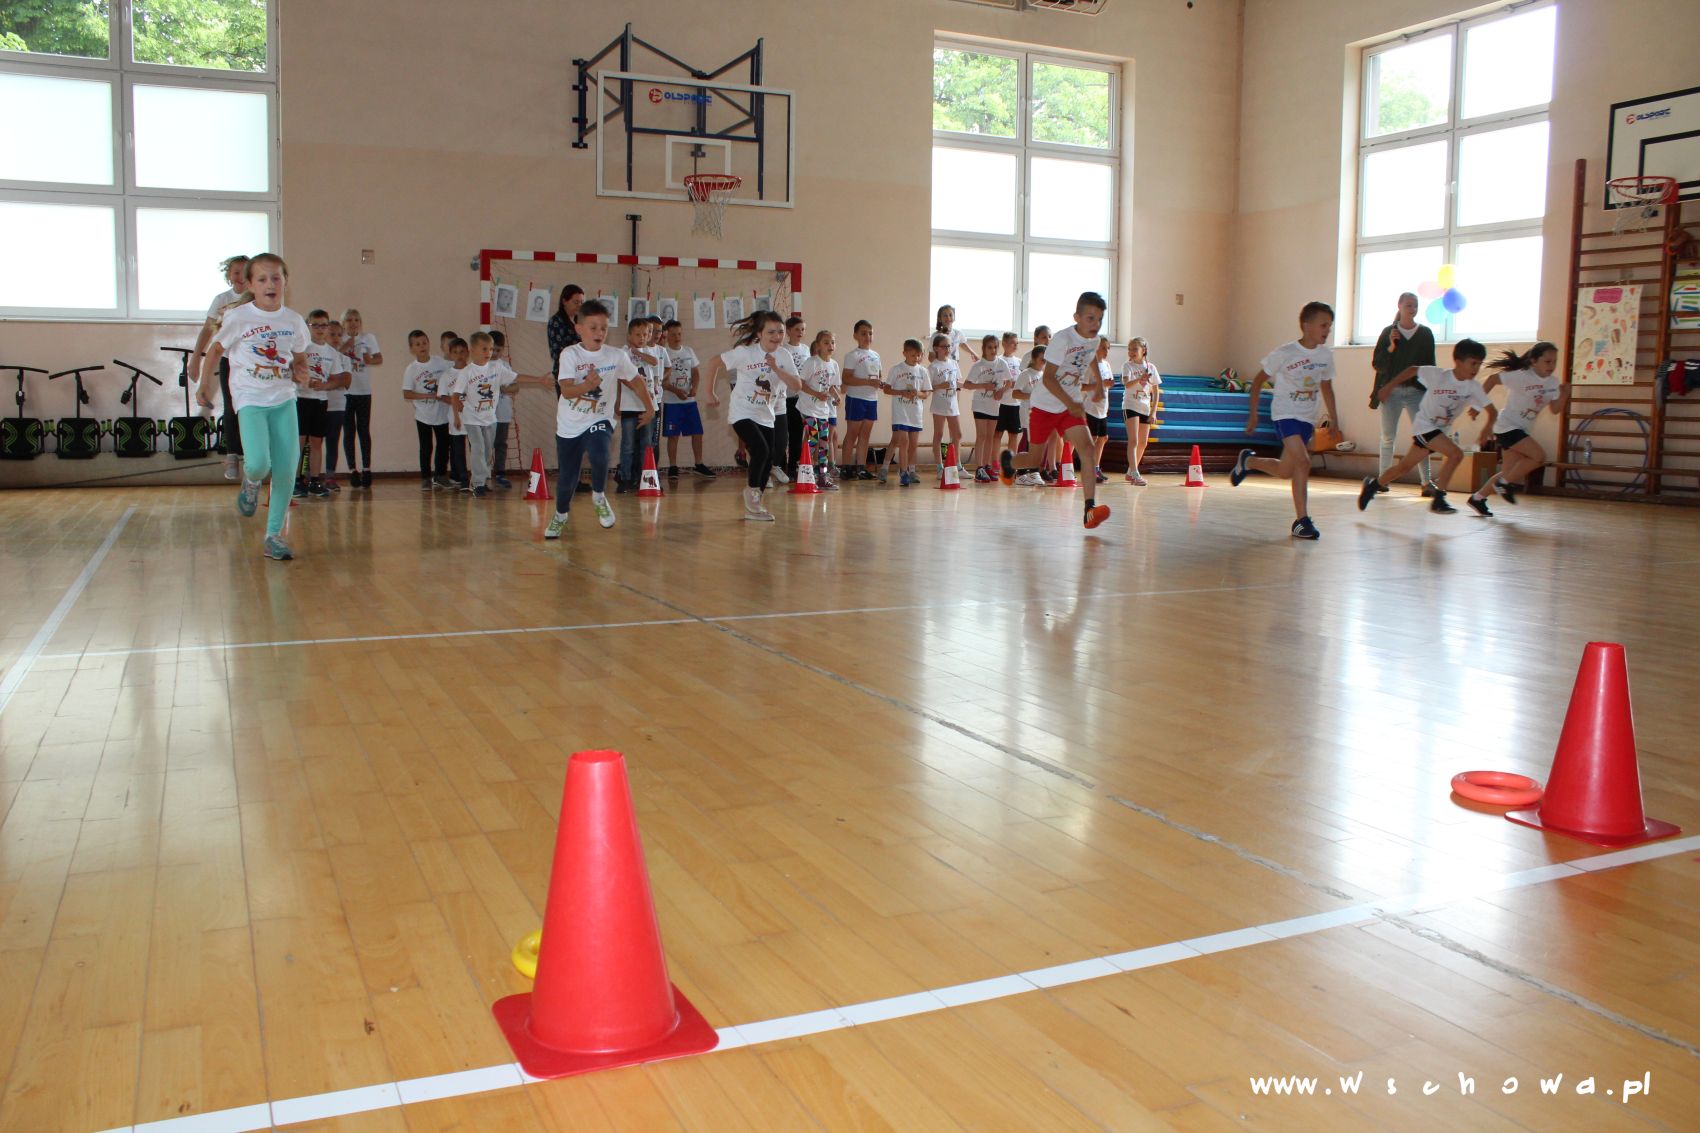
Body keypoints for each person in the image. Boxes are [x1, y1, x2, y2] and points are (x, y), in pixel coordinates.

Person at [196, 253, 311, 561]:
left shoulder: (294, 321)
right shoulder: (239, 317)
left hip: (284, 399)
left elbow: (300, 357)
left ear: (285, 281)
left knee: (286, 469)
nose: (270, 284)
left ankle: (273, 536)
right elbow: (215, 351)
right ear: (250, 285)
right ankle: (251, 480)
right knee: (259, 463)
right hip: (250, 399)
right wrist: (203, 384)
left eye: (276, 278)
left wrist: (301, 371)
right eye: (262, 279)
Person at [998, 293, 1113, 530]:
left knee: (1088, 450)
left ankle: (1089, 510)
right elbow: (1049, 379)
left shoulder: (1094, 339)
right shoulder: (1063, 339)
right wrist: (1070, 403)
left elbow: (1091, 356)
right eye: (1090, 318)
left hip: (1069, 407)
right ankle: (1009, 462)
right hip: (1045, 406)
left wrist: (1100, 385)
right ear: (1077, 317)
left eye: (1100, 319)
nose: (1095, 324)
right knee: (1034, 459)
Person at [1229, 301, 1339, 540]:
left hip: (1307, 418)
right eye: (1323, 325)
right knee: (1304, 462)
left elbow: (1327, 387)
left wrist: (1334, 419)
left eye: (1330, 326)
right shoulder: (1285, 353)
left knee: (1285, 471)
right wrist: (1253, 414)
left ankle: (1248, 461)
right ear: (1306, 325)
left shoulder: (1325, 355)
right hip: (1285, 414)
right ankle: (1302, 521)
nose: (1327, 330)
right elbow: (1258, 382)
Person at [1357, 338, 1495, 516]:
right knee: (1456, 454)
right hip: (1425, 426)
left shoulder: (1473, 387)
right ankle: (1439, 498)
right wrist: (1389, 387)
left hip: (1439, 431)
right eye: (1473, 363)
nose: (1476, 369)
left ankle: (1372, 486)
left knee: (1404, 468)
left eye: (1479, 364)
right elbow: (1412, 370)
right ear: (1458, 362)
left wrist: (1487, 427)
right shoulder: (1439, 375)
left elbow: (1493, 411)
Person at [547, 300, 649, 537]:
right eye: (593, 327)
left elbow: (636, 381)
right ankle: (560, 515)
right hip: (570, 425)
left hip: (599, 419)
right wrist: (586, 385)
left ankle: (599, 496)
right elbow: (566, 390)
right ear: (579, 329)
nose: (599, 332)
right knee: (567, 479)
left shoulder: (616, 356)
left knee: (600, 454)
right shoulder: (569, 354)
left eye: (603, 328)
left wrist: (650, 407)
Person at [703, 310, 802, 521]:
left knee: (768, 459)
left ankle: (755, 504)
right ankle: (751, 493)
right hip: (742, 412)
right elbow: (712, 363)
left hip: (766, 414)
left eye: (780, 332)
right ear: (759, 334)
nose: (777, 336)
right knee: (761, 450)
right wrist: (709, 392)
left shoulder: (784, 355)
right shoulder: (745, 353)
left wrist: (776, 369)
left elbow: (797, 385)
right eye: (771, 332)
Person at [1470, 342, 1566, 507]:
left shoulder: (1552, 382)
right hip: (1507, 426)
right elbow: (1492, 380)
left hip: (1521, 429)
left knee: (1508, 473)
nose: (1552, 366)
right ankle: (1503, 484)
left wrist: (1564, 394)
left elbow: (1555, 410)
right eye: (1547, 361)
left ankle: (1477, 499)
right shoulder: (1521, 376)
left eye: (1555, 362)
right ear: (1534, 361)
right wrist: (1478, 406)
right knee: (1539, 457)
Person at [1369, 292, 1441, 497]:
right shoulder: (1388, 332)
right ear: (1399, 306)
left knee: (1423, 436)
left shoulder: (1425, 333)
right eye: (1409, 305)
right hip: (1391, 391)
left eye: (1415, 305)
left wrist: (1431, 393)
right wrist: (1391, 347)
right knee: (1387, 437)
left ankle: (1426, 482)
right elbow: (1378, 364)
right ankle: (1382, 480)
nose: (1413, 309)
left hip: (1416, 392)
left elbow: (1429, 366)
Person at [192, 254, 251, 480]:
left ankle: (251, 454)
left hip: (251, 361)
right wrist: (195, 359)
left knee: (251, 406)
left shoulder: (255, 298)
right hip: (229, 359)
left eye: (244, 272)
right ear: (229, 275)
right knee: (231, 405)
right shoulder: (222, 299)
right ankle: (232, 454)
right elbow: (207, 331)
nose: (240, 276)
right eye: (236, 272)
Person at [450, 331, 514, 498]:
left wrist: (539, 380)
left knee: (487, 450)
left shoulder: (496, 368)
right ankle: (477, 483)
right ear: (472, 350)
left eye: (491, 349)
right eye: (484, 349)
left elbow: (516, 378)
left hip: (490, 419)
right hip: (472, 419)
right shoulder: (467, 372)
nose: (489, 352)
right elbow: (455, 395)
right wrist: (458, 412)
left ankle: (483, 481)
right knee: (478, 448)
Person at [296, 309, 349, 499]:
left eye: (323, 325)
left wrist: (324, 385)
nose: (320, 329)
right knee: (300, 441)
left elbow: (337, 379)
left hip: (320, 401)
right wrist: (304, 381)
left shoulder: (332, 353)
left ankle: (315, 480)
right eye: (315, 325)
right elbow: (292, 372)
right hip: (302, 399)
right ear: (307, 326)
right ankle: (296, 480)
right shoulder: (302, 348)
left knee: (317, 442)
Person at [659, 319, 714, 478]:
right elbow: (661, 380)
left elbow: (695, 373)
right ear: (666, 335)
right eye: (673, 334)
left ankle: (699, 464)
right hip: (672, 402)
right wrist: (676, 391)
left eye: (679, 334)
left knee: (697, 432)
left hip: (689, 402)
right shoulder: (664, 353)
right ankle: (673, 466)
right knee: (673, 435)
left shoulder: (688, 351)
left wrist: (694, 388)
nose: (677, 337)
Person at [401, 329, 453, 490]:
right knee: (426, 447)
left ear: (429, 344)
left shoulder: (441, 363)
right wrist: (428, 395)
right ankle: (425, 477)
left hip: (442, 413)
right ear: (412, 348)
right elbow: (407, 393)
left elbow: (457, 369)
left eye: (424, 342)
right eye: (417, 344)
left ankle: (440, 475)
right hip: (423, 415)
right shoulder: (411, 369)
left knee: (443, 445)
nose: (422, 346)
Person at [616, 317, 663, 492]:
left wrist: (639, 352)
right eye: (637, 334)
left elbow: (655, 362)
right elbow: (621, 377)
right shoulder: (623, 352)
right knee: (628, 445)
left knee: (647, 444)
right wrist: (619, 400)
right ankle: (625, 478)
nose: (642, 337)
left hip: (648, 407)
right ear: (629, 336)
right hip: (630, 406)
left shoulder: (648, 351)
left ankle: (645, 478)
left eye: (645, 334)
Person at [338, 308, 382, 488]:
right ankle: (352, 470)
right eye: (349, 320)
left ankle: (367, 468)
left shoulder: (368, 338)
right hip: (346, 392)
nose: (353, 323)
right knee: (349, 431)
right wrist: (347, 344)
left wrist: (369, 359)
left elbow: (379, 358)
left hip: (364, 391)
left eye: (356, 320)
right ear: (343, 324)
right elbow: (335, 355)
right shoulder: (340, 339)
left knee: (364, 430)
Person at [797, 329, 842, 489]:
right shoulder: (812, 362)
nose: (830, 345)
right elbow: (800, 384)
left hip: (823, 410)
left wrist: (836, 396)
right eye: (826, 342)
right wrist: (816, 394)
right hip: (808, 408)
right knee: (813, 437)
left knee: (824, 441)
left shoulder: (834, 365)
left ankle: (823, 475)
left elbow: (831, 386)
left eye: (832, 342)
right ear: (818, 345)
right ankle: (805, 472)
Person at [839, 319, 883, 481]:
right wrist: (867, 382)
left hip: (871, 399)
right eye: (863, 333)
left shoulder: (876, 355)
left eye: (870, 333)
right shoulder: (852, 355)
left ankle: (861, 468)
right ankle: (846, 467)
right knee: (852, 433)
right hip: (856, 398)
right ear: (855, 336)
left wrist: (879, 382)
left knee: (865, 434)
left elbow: (878, 376)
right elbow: (846, 378)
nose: (867, 336)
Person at [885, 339, 931, 486]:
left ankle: (912, 470)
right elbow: (886, 389)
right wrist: (901, 392)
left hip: (915, 412)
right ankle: (903, 472)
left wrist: (917, 393)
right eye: (913, 355)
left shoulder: (923, 371)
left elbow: (926, 393)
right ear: (904, 353)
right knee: (903, 442)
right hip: (901, 411)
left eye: (919, 355)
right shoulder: (896, 369)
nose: (916, 358)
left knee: (913, 444)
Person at [966, 334, 1005, 483]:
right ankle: (979, 468)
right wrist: (984, 386)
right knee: (981, 435)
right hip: (980, 404)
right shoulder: (978, 365)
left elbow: (1008, 382)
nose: (993, 350)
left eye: (995, 347)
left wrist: (1001, 391)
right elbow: (968, 384)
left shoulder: (1001, 363)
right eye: (990, 347)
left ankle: (988, 466)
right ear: (984, 348)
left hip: (993, 405)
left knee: (990, 436)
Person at [1121, 336, 1161, 485]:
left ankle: (1130, 472)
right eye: (1129, 349)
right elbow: (1126, 384)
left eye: (1135, 349)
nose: (1131, 352)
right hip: (1131, 405)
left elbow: (1155, 390)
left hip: (1145, 407)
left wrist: (1153, 411)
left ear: (1143, 350)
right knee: (1134, 440)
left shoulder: (1151, 368)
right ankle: (1135, 473)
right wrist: (1140, 379)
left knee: (1143, 442)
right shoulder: (1127, 366)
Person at [927, 332, 965, 479]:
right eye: (944, 346)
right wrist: (941, 385)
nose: (947, 349)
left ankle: (957, 466)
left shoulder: (954, 363)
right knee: (939, 434)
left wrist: (972, 384)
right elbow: (928, 387)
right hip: (939, 404)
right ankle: (939, 468)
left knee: (957, 434)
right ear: (936, 348)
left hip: (952, 403)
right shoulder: (933, 367)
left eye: (949, 346)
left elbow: (957, 382)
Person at [322, 319, 350, 490]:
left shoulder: (344, 359)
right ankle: (308, 477)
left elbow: (345, 381)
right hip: (318, 404)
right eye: (332, 334)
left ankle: (330, 477)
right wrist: (333, 381)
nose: (336, 338)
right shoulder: (317, 356)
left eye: (339, 335)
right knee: (313, 442)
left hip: (337, 406)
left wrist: (326, 383)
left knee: (332, 442)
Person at [780, 315, 809, 480]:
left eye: (803, 329)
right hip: (785, 398)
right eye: (797, 329)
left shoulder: (806, 349)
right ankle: (780, 465)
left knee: (797, 434)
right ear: (789, 331)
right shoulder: (783, 350)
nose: (800, 332)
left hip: (801, 398)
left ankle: (793, 467)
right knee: (783, 434)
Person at [1084, 336, 1113, 483]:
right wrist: (1100, 385)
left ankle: (1096, 467)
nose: (1106, 351)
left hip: (1102, 408)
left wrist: (1108, 384)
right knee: (1093, 438)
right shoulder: (1089, 365)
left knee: (1103, 438)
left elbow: (1107, 384)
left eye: (1108, 348)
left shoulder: (1106, 365)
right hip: (1091, 408)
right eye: (1103, 348)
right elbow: (1082, 386)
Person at [443, 337, 470, 489]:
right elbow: (442, 396)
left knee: (477, 449)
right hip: (456, 418)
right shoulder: (447, 375)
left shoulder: (473, 371)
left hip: (473, 418)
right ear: (450, 355)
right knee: (458, 451)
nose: (459, 355)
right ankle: (463, 479)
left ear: (467, 353)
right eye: (455, 352)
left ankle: (478, 479)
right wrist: (456, 402)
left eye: (462, 352)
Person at [547, 285, 584, 377]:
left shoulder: (580, 320)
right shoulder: (556, 321)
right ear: (564, 301)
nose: (579, 306)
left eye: (581, 302)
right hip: (565, 372)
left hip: (582, 370)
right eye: (576, 302)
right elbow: (556, 353)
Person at [933, 304, 980, 371]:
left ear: (954, 317)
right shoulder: (936, 335)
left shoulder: (958, 333)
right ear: (940, 319)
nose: (948, 317)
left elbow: (962, 343)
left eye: (950, 315)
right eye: (945, 315)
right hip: (942, 368)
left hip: (954, 366)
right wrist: (938, 366)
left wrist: (973, 353)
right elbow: (931, 355)